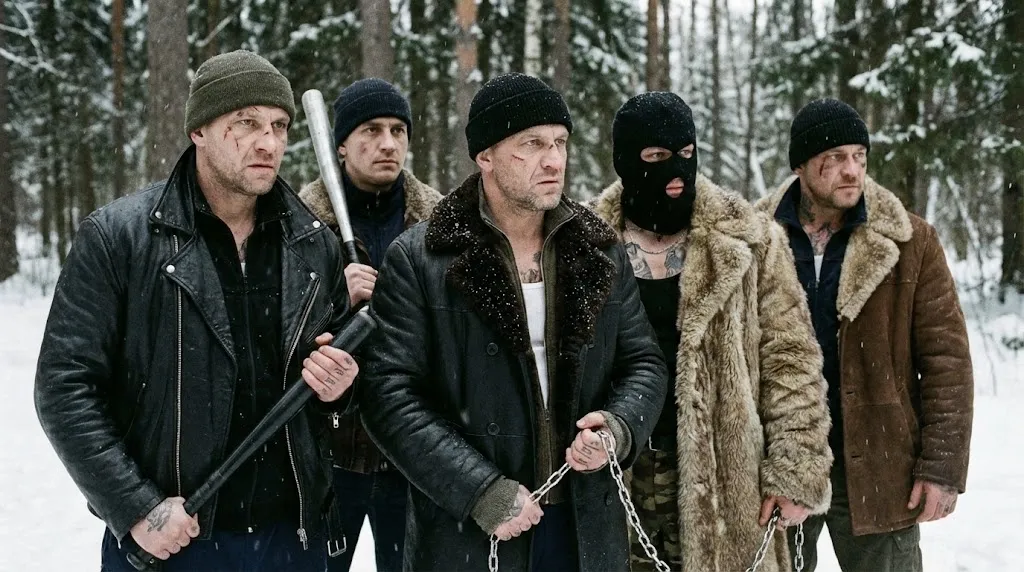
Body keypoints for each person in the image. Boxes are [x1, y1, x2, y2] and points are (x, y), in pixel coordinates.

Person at [34, 50, 358, 571]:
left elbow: (334, 395)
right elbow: (64, 387)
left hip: (291, 540)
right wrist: (134, 505)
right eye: (246, 123)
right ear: (199, 131)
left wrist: (338, 388)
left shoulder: (311, 243)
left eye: (278, 126)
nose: (268, 143)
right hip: (173, 540)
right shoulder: (119, 238)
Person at [357, 73, 668, 571]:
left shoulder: (600, 249)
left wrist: (617, 428)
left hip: (584, 527)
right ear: (486, 156)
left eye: (560, 143)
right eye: (532, 144)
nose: (554, 160)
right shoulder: (422, 258)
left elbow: (644, 363)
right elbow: (388, 395)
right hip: (470, 532)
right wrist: (480, 489)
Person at [589, 92, 833, 572]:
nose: (676, 171)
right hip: (611, 474)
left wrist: (796, 470)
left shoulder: (751, 239)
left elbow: (792, 360)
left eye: (686, 153)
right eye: (657, 156)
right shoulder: (582, 242)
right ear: (626, 160)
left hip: (727, 480)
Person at [755, 98, 974, 572]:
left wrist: (942, 467)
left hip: (881, 466)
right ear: (800, 166)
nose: (851, 170)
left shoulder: (910, 241)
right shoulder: (754, 239)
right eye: (833, 159)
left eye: (859, 156)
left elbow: (947, 361)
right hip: (779, 464)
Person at [298, 78, 441, 572]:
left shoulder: (439, 225)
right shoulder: (299, 225)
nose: (388, 143)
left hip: (411, 451)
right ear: (340, 145)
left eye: (398, 130)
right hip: (327, 452)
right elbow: (275, 333)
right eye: (372, 130)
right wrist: (333, 299)